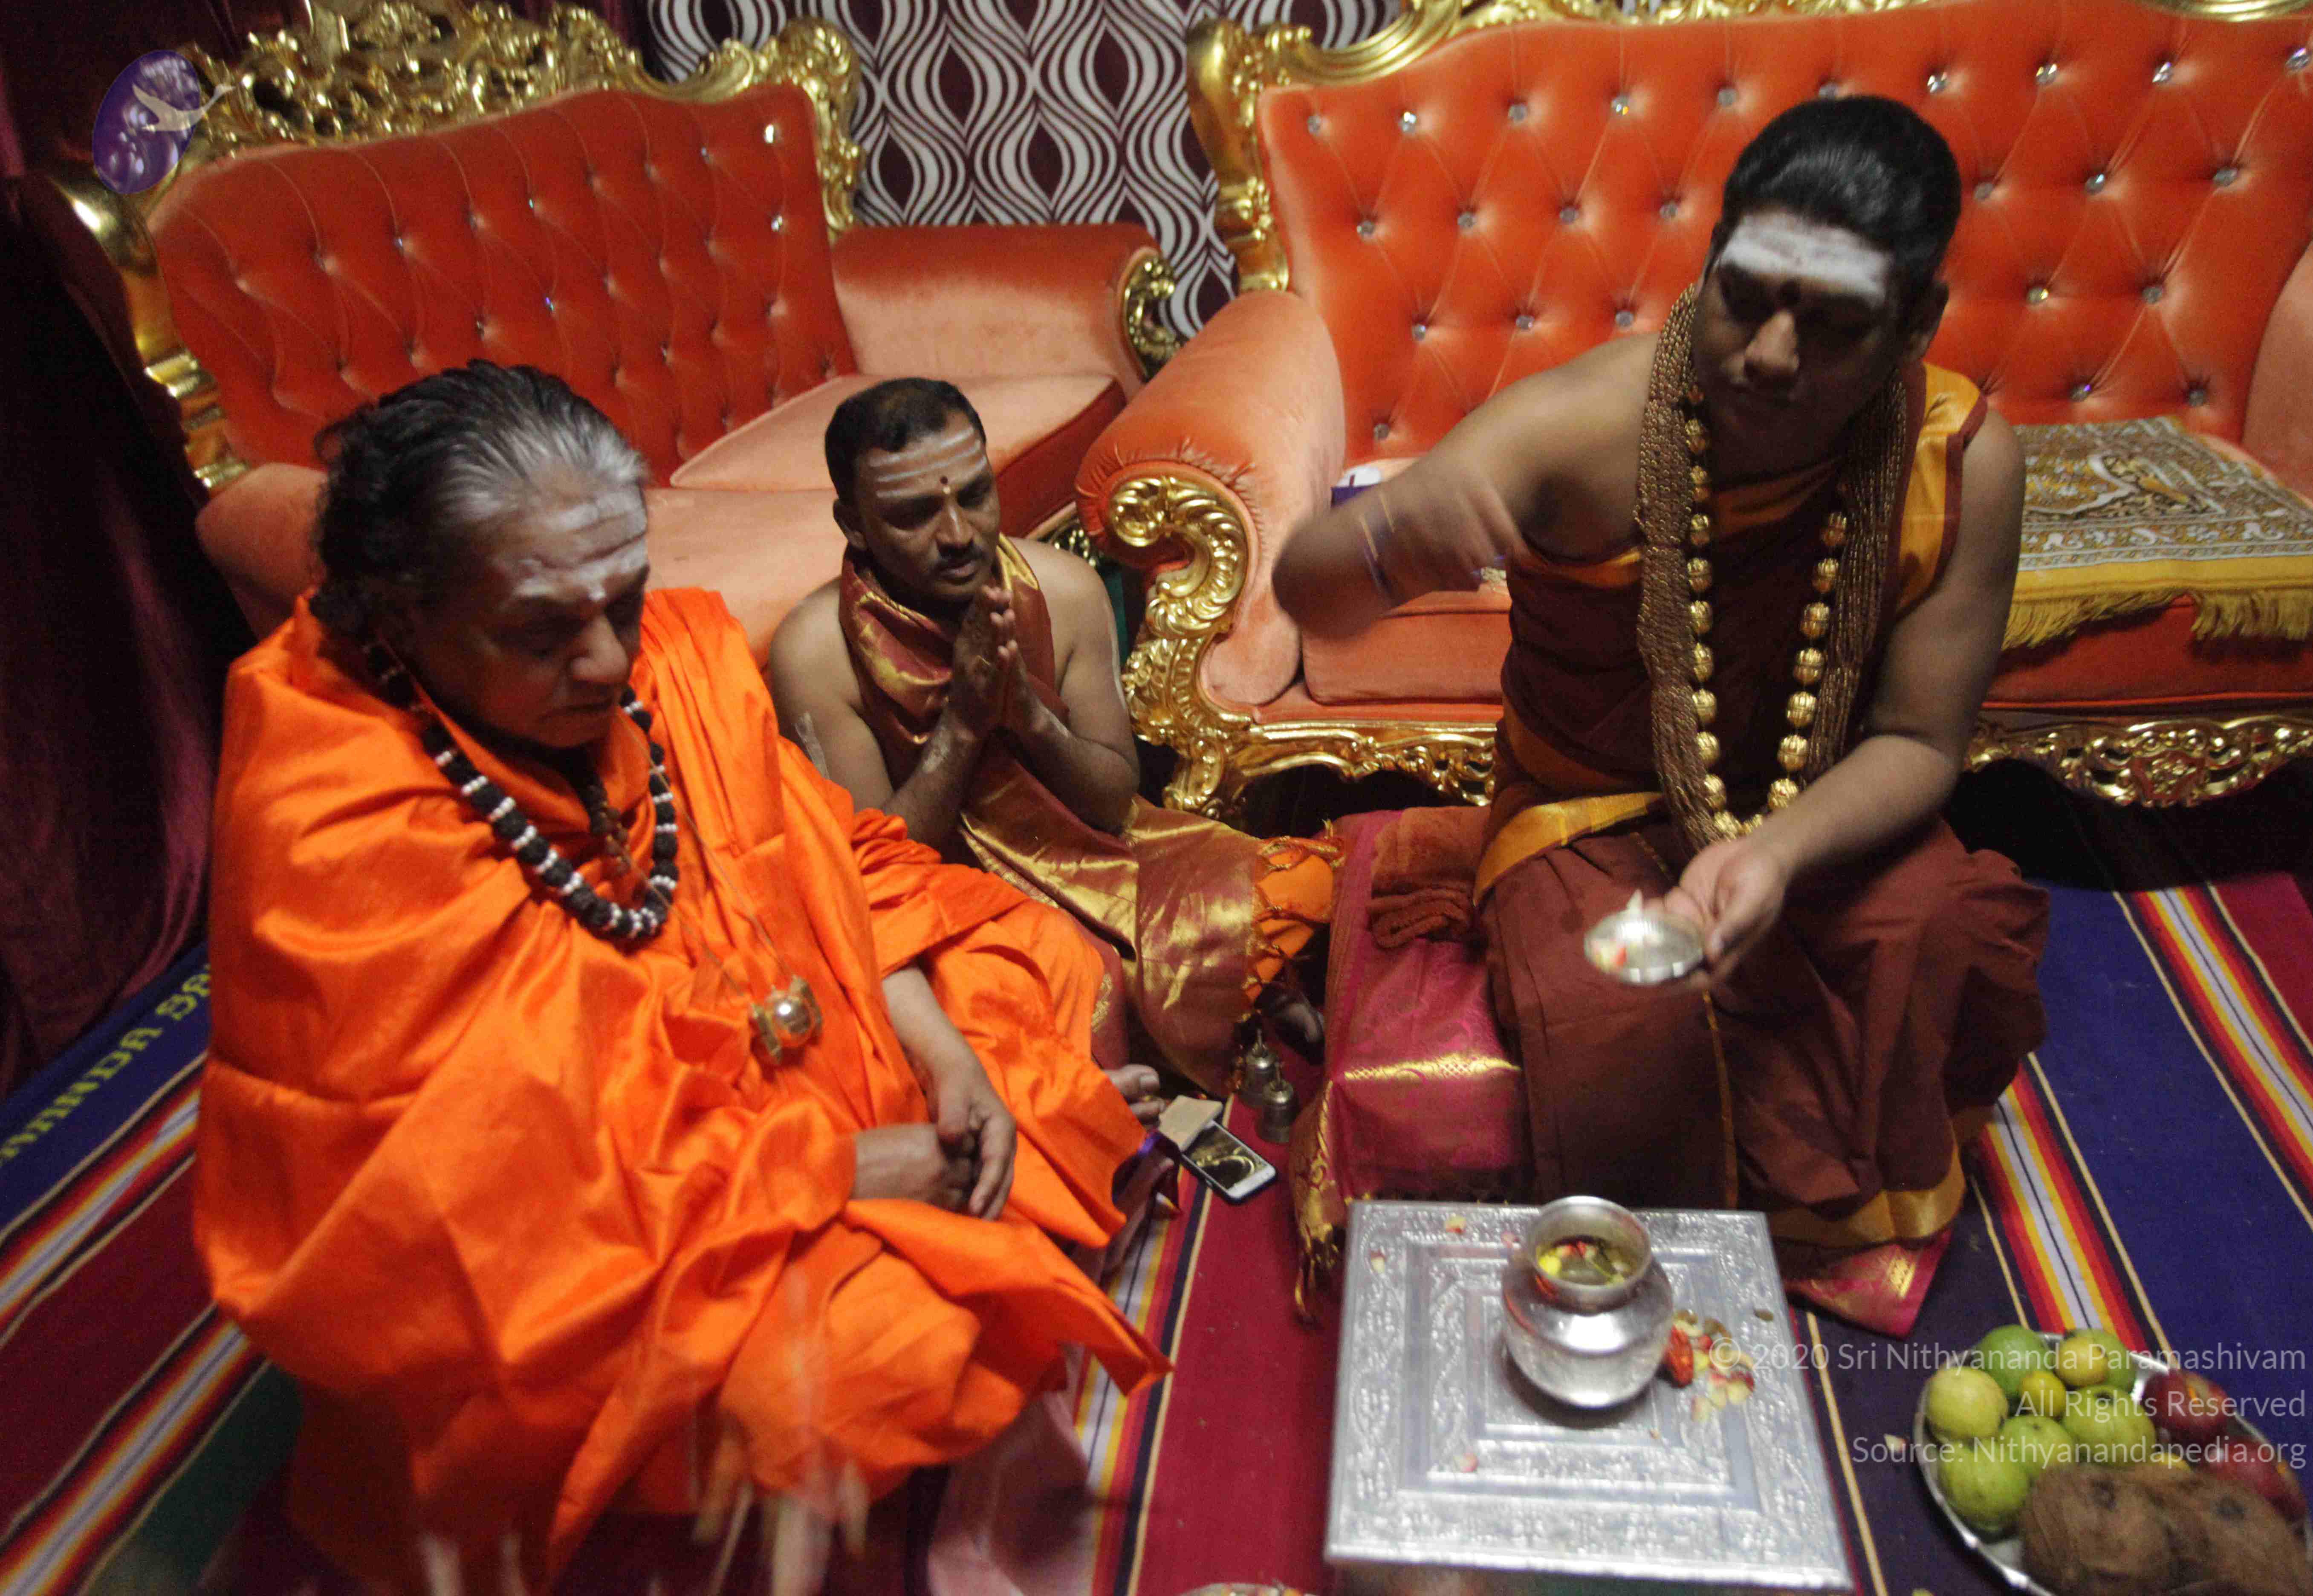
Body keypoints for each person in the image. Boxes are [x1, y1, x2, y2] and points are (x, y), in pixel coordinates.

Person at [196, 361, 1169, 1592]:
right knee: (856, 1369)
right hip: (609, 1228)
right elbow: (488, 1182)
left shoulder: (674, 659)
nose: (609, 661)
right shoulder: (328, 805)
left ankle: (978, 1189)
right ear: (399, 614)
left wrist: (942, 1058)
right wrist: (840, 1169)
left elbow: (833, 861)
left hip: (790, 1064)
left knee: (1041, 961)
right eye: (544, 632)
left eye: (626, 597)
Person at [1272, 98, 2048, 1260]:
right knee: (1624, 1020)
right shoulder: (1580, 427)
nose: (1770, 354)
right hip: (1586, 810)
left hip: (1816, 802)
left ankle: (1820, 1237)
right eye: (1746, 295)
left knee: (1944, 933)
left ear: (1917, 324)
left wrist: (1776, 854)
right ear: (1711, 259)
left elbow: (1921, 743)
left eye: (1836, 322)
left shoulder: (1961, 458)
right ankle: (1671, 1281)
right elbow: (1308, 593)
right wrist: (1385, 542)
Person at [768, 379, 1341, 1102]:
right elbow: (880, 877)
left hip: (1100, 854)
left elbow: (1112, 804)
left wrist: (1030, 719)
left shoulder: (1063, 589)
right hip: (956, 903)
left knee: (1276, 887)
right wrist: (964, 725)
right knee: (1069, 978)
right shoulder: (816, 654)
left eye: (974, 495)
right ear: (853, 526)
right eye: (915, 515)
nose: (959, 535)